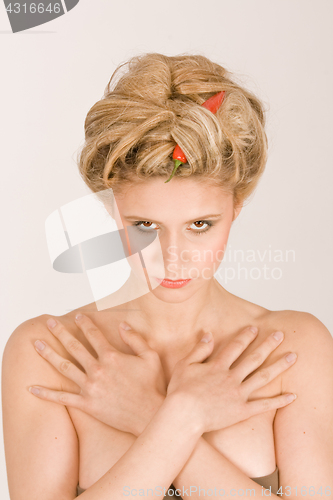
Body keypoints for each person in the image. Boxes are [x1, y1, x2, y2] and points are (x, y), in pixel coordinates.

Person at [2, 53, 333, 500]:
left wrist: (156, 414)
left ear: (237, 206)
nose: (172, 258)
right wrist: (180, 418)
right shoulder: (50, 353)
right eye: (145, 226)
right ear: (110, 208)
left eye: (200, 225)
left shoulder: (296, 346)